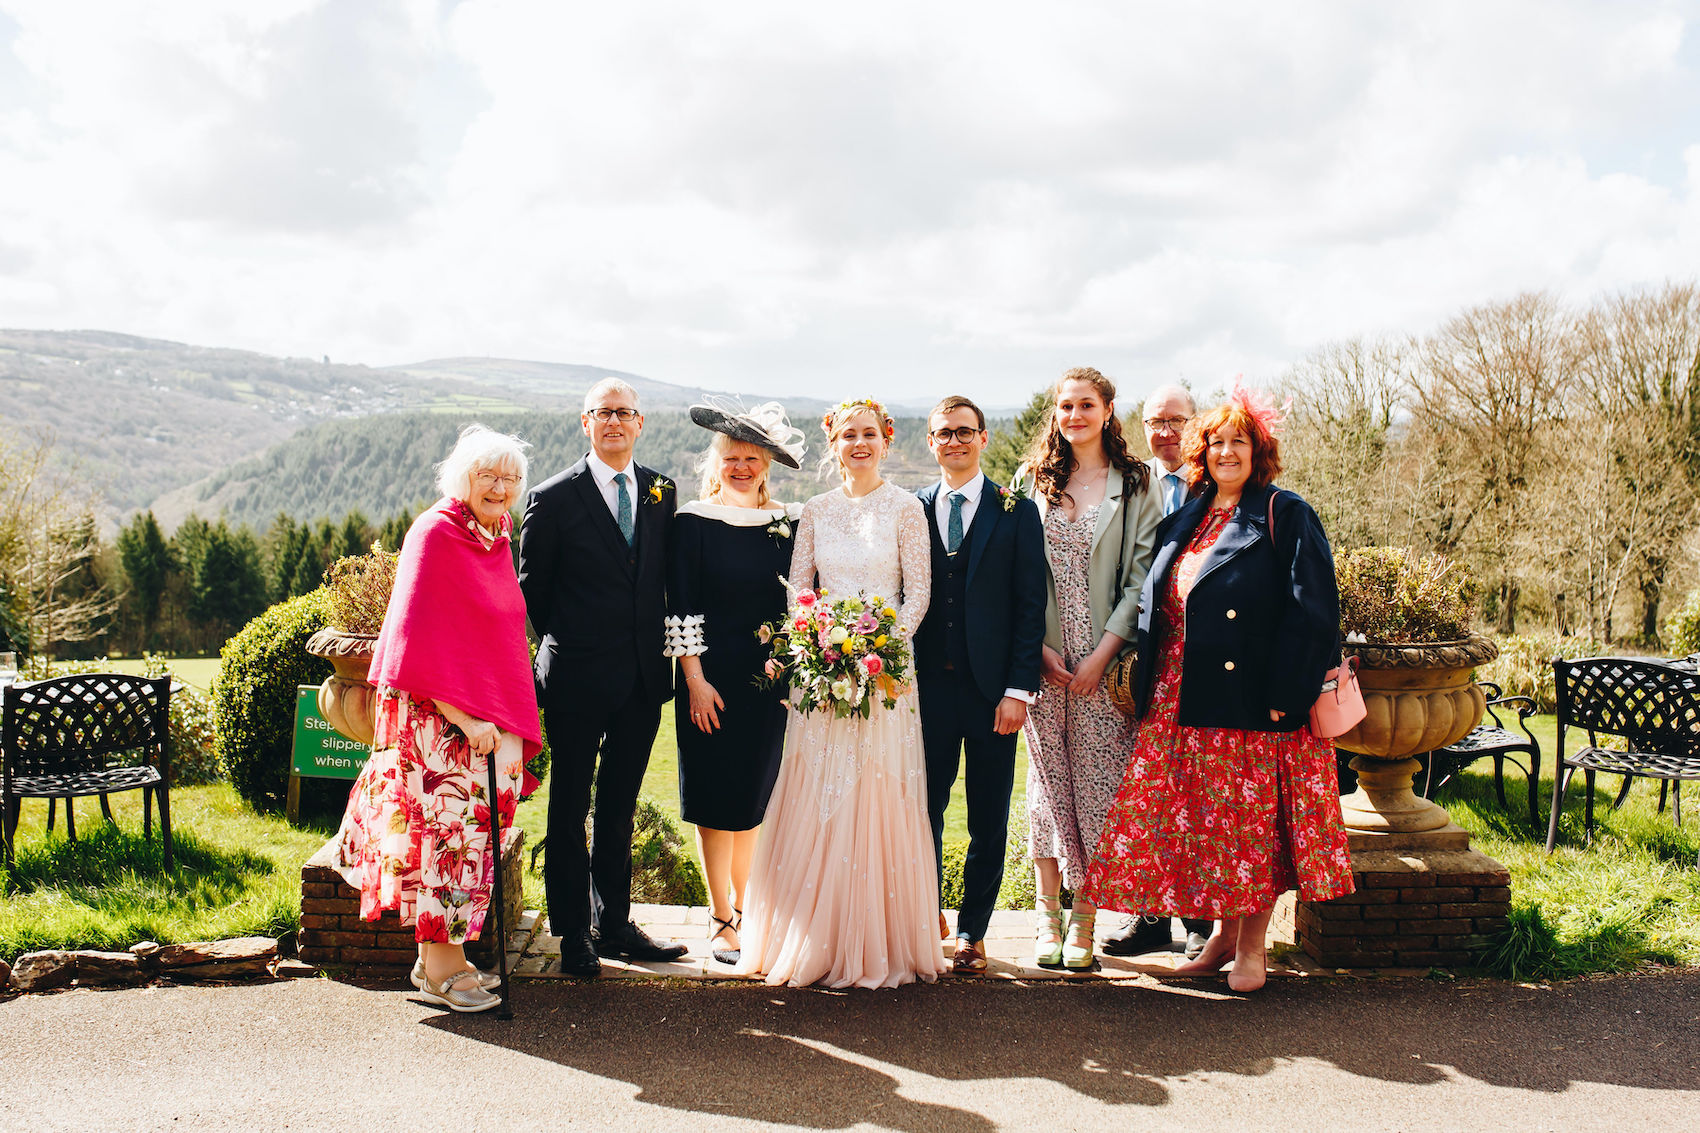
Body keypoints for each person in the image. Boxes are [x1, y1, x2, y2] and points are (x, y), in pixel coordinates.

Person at [1082, 385, 1356, 992]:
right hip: (1182, 699)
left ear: (1259, 452)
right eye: (1215, 443)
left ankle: (1252, 948)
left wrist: (1286, 694)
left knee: (1250, 829)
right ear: (1200, 453)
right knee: (1211, 828)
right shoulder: (1191, 512)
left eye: (1239, 442)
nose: (1226, 452)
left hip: (1255, 702)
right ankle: (1221, 940)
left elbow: (1314, 614)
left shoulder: (1286, 513)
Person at [330, 424, 543, 1013]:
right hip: (443, 727)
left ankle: (438, 962)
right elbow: (413, 643)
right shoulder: (436, 532)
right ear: (461, 477)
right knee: (446, 843)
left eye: (510, 478)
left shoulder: (495, 535)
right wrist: (467, 720)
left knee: (471, 842)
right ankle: (443, 967)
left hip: (487, 725)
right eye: (487, 475)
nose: (500, 487)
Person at [736, 397, 947, 988]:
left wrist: (877, 651)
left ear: (886, 441)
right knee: (817, 788)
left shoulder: (906, 508)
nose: (859, 443)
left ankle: (880, 941)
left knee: (880, 789)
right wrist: (820, 644)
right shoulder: (816, 510)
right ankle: (809, 935)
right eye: (848, 435)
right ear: (834, 445)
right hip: (823, 676)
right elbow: (799, 589)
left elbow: (918, 594)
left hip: (886, 677)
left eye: (869, 434)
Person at [519, 378, 687, 978]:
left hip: (642, 679)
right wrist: (573, 644)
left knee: (619, 807)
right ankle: (573, 934)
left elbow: (663, 578)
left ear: (640, 423)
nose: (614, 421)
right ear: (584, 422)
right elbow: (533, 594)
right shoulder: (551, 497)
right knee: (569, 809)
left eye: (624, 412)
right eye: (603, 412)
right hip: (576, 679)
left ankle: (615, 923)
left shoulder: (663, 490)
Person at [1015, 367, 1164, 970]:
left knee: (1100, 787)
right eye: (1065, 406)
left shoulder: (1137, 482)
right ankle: (1045, 918)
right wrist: (1036, 647)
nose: (1074, 415)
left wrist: (1101, 657)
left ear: (1106, 410)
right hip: (1043, 657)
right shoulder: (1034, 479)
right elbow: (1020, 572)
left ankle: (1085, 920)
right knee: (1047, 787)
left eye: (1085, 405)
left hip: (1108, 657)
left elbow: (1142, 577)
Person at [667, 400, 806, 966]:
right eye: (731, 458)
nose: (741, 467)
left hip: (768, 683)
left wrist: (789, 668)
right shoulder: (693, 522)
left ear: (766, 464)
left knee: (753, 797)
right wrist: (695, 681)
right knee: (713, 796)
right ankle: (720, 915)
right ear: (716, 462)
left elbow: (801, 603)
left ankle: (748, 909)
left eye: (751, 458)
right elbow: (681, 607)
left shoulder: (788, 524)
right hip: (708, 677)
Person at [913, 395, 1046, 974]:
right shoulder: (913, 507)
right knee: (923, 810)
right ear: (930, 442)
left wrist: (1019, 691)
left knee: (987, 818)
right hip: (924, 691)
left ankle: (973, 931)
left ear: (983, 438)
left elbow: (1029, 607)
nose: (955, 441)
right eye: (944, 433)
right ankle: (926, 913)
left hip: (993, 695)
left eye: (965, 431)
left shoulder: (1016, 510)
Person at [1103, 382, 1213, 960]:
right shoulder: (1132, 482)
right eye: (1154, 421)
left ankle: (1199, 920)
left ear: (1196, 423)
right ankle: (1148, 917)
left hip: (1203, 658)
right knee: (1145, 789)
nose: (1165, 431)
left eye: (1176, 420)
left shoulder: (1218, 482)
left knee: (1195, 789)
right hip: (1142, 657)